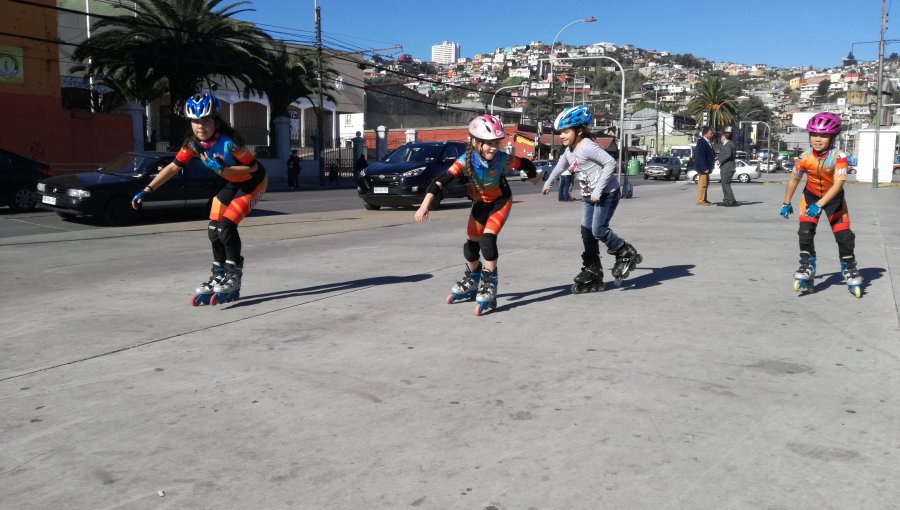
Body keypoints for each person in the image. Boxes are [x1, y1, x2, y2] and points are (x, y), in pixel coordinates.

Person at [131, 93, 267, 306]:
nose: (200, 126)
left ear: (216, 121)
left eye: (206, 120)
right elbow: (173, 167)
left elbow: (253, 168)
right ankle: (218, 274)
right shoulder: (193, 145)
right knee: (214, 228)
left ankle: (234, 276)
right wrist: (147, 189)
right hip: (233, 183)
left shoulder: (229, 144)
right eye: (195, 121)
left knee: (227, 226)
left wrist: (223, 168)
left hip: (253, 183)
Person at [414, 114, 540, 315]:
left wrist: (534, 177)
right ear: (474, 142)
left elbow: (525, 163)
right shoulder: (465, 160)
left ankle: (489, 285)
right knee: (470, 248)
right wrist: (424, 206)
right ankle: (473, 279)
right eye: (488, 144)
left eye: (496, 143)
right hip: (481, 204)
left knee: (487, 241)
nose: (493, 148)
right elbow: (440, 181)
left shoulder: (501, 158)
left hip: (500, 202)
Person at [541, 104, 642, 293]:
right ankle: (593, 268)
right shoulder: (569, 150)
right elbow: (561, 164)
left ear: (578, 131)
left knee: (598, 229)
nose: (561, 136)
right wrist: (549, 183)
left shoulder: (587, 146)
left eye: (565, 131)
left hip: (607, 193)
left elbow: (610, 162)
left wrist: (598, 191)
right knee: (586, 231)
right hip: (589, 197)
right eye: (560, 132)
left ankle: (624, 250)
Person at [780, 112, 863, 297]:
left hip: (834, 199)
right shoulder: (804, 157)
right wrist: (786, 202)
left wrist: (820, 204)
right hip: (810, 196)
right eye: (814, 135)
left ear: (832, 137)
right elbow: (794, 179)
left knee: (844, 237)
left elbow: (838, 184)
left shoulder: (839, 156)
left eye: (823, 136)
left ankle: (849, 267)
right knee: (805, 232)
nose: (818, 139)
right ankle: (807, 264)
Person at [693, 125, 715, 206]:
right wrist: (704, 167)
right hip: (703, 168)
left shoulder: (707, 141)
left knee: (706, 184)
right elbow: (701, 156)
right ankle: (700, 200)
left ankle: (704, 199)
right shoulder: (701, 142)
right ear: (706, 134)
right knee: (702, 184)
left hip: (707, 167)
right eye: (711, 133)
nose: (712, 135)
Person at [717, 130, 737, 206]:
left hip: (727, 167)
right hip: (726, 167)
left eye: (721, 136)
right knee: (724, 184)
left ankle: (732, 200)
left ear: (724, 137)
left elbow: (728, 155)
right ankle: (726, 200)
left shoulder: (728, 144)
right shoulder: (727, 144)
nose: (720, 138)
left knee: (726, 184)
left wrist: (720, 161)